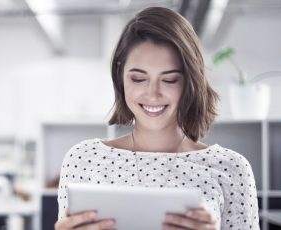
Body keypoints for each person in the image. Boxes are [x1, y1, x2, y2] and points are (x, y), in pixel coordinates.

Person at [54, 6, 259, 230]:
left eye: (169, 80)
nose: (152, 94)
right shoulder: (83, 160)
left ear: (191, 81)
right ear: (121, 76)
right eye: (138, 79)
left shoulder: (231, 168)